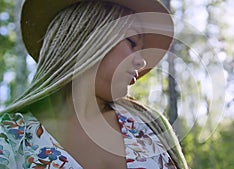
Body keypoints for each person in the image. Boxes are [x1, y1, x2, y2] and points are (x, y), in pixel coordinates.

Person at [0, 0, 189, 168]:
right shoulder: (11, 137)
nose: (142, 62)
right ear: (86, 35)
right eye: (131, 42)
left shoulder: (150, 124)